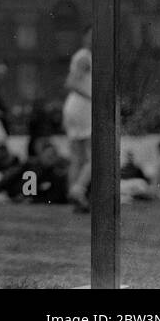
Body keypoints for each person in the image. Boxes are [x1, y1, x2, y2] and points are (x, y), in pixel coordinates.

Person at [63, 26, 92, 212]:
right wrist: (92, 97)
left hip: (74, 107)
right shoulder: (84, 57)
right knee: (93, 155)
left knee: (77, 158)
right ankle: (78, 190)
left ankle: (75, 197)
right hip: (82, 107)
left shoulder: (83, 56)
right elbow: (71, 83)